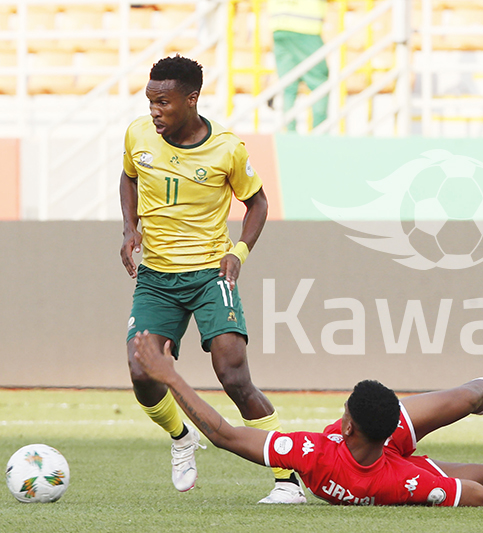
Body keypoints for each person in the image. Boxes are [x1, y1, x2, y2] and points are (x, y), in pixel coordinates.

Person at [132, 330, 483, 508]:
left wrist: (171, 375)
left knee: (465, 397)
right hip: (384, 462)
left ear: (346, 425)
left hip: (369, 453)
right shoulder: (403, 482)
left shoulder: (314, 452)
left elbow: (221, 434)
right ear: (385, 428)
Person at [119, 55, 305, 504]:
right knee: (141, 371)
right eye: (150, 101)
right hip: (157, 278)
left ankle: (289, 479)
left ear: (191, 99)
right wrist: (129, 228)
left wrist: (239, 250)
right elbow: (128, 177)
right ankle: (181, 437)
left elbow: (257, 202)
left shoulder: (226, 148)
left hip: (209, 275)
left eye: (163, 102)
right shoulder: (138, 135)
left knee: (233, 373)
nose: (154, 111)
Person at [269, 0, 329, 132]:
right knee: (319, 82)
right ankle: (320, 131)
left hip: (279, 27)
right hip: (305, 29)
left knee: (288, 86)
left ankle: (290, 132)